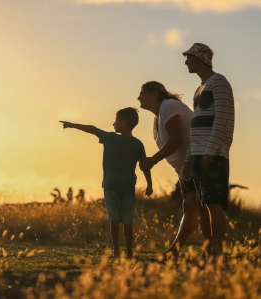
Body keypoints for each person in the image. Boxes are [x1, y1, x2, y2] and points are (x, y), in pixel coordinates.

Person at [60, 107, 153, 259]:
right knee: (128, 221)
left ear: (123, 123)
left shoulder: (111, 138)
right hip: (128, 186)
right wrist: (149, 184)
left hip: (111, 185)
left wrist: (72, 125)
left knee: (114, 219)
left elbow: (92, 129)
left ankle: (116, 252)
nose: (113, 123)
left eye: (116, 120)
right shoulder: (137, 144)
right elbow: (144, 165)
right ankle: (129, 253)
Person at [138, 81, 211, 260]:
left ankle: (206, 251)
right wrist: (181, 174)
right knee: (191, 206)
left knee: (202, 206)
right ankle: (198, 251)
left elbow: (178, 139)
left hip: (199, 159)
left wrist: (153, 160)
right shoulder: (158, 117)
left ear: (155, 94)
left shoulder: (168, 106)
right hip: (187, 167)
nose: (139, 97)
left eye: (143, 93)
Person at [181, 43, 235, 259]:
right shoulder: (199, 88)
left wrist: (211, 150)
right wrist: (188, 159)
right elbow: (196, 127)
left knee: (214, 203)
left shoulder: (219, 82)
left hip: (212, 154)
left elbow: (222, 117)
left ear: (201, 59)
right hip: (197, 154)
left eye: (189, 57)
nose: (186, 61)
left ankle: (217, 254)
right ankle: (208, 251)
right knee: (203, 205)